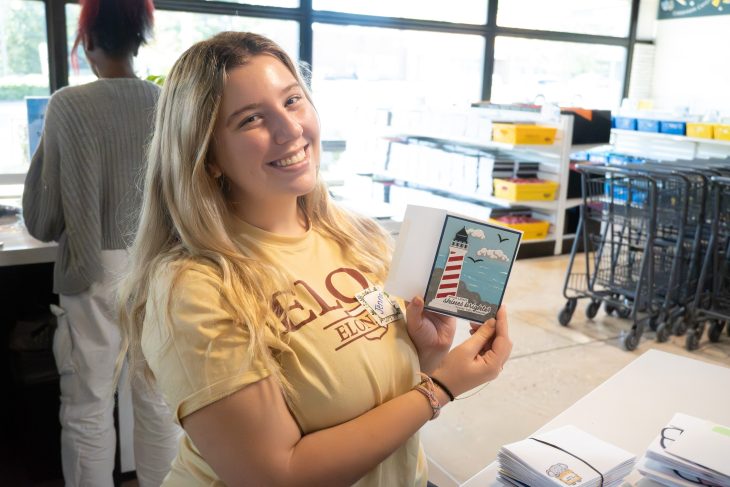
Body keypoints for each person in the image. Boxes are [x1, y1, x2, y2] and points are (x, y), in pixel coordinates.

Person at [117, 31, 512, 487]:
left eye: (292, 101)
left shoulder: (354, 235)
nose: (291, 130)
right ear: (207, 156)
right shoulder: (193, 287)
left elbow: (363, 398)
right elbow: (278, 475)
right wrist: (440, 388)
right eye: (250, 120)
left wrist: (427, 352)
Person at [22, 0, 181, 485]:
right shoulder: (166, 104)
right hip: (160, 269)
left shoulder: (68, 105)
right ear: (138, 39)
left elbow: (42, 217)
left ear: (88, 41)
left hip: (91, 272)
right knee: (157, 400)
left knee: (87, 406)